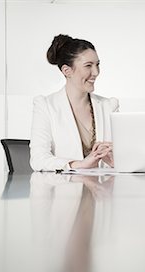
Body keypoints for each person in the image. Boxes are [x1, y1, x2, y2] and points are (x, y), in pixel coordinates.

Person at [30, 34, 119, 171]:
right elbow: (38, 160)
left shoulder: (109, 107)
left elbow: (126, 158)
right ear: (67, 71)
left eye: (97, 65)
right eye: (88, 66)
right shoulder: (46, 106)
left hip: (103, 189)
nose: (96, 72)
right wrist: (80, 165)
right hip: (65, 189)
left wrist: (116, 159)